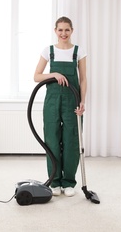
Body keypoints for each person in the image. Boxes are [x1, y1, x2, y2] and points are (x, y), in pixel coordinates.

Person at [34, 16, 87, 197]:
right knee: (52, 140)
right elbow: (36, 76)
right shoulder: (48, 51)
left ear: (72, 30)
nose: (63, 33)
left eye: (67, 30)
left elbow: (83, 79)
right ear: (55, 31)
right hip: (52, 101)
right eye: (60, 30)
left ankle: (69, 182)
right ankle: (54, 181)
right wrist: (54, 73)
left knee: (72, 140)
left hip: (73, 99)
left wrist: (82, 101)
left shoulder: (78, 51)